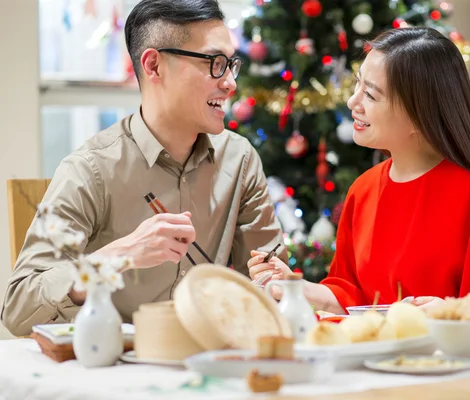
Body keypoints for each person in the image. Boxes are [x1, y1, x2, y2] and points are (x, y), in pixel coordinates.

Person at [2, 0, 286, 337]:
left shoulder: (239, 159)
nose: (230, 83)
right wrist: (115, 257)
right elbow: (18, 307)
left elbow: (266, 277)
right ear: (153, 66)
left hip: (209, 367)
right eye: (215, 63)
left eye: (232, 65)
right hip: (115, 374)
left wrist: (275, 282)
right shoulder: (90, 168)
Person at [248, 27, 470, 315]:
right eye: (357, 85)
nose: (353, 102)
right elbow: (354, 296)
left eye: (371, 95)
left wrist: (452, 312)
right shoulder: (362, 190)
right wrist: (296, 286)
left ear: (419, 111)